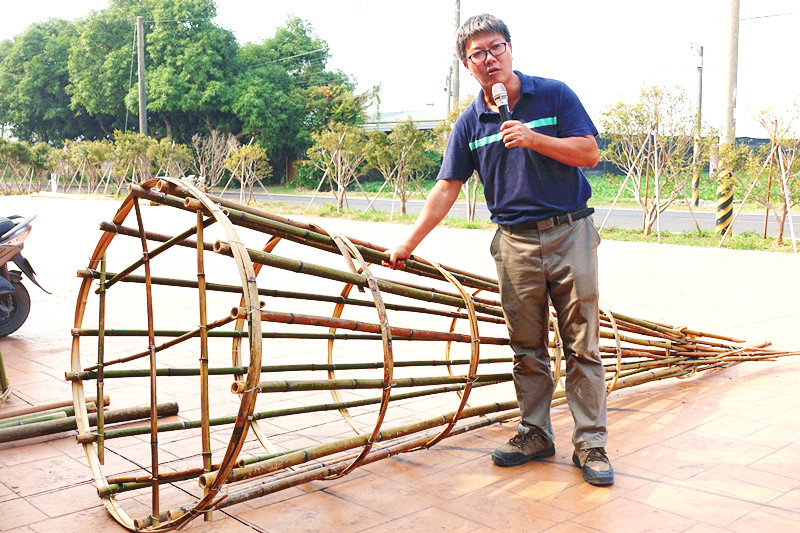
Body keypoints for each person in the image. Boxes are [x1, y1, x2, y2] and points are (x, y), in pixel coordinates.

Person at [384, 13, 613, 486]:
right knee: (526, 348)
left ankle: (590, 442)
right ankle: (535, 432)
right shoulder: (470, 122)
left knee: (582, 344)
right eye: (477, 54)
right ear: (466, 66)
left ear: (511, 49)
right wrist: (408, 242)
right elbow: (448, 186)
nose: (489, 59)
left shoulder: (553, 94)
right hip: (514, 242)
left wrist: (534, 138)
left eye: (496, 48)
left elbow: (589, 153)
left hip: (570, 231)